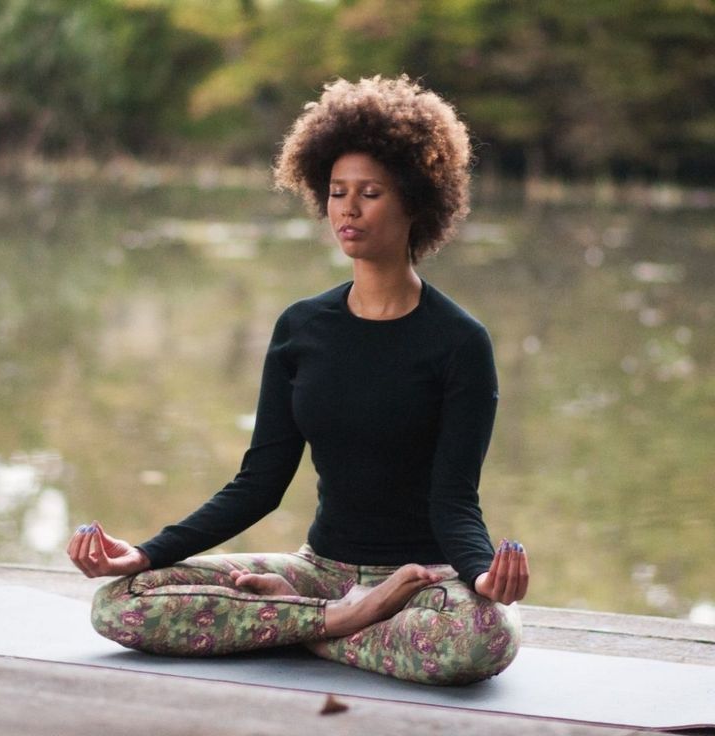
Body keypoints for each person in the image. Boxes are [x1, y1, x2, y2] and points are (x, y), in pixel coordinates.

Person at [67, 75, 529, 686]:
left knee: (486, 637)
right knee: (121, 603)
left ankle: (304, 626)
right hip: (317, 570)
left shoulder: (459, 342)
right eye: (338, 192)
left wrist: (480, 576)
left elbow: (454, 501)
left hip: (420, 582)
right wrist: (148, 552)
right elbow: (259, 484)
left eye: (371, 192)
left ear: (416, 201)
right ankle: (334, 619)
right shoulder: (301, 328)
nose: (349, 208)